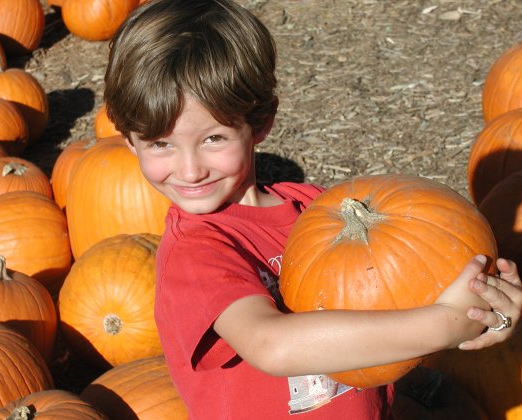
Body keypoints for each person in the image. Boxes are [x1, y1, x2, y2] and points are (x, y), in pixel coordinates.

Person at [102, 0, 522, 418]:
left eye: (214, 139)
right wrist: (442, 325)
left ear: (260, 122)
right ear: (130, 142)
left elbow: (404, 294)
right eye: (161, 144)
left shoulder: (317, 207)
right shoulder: (196, 253)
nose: (190, 170)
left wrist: (485, 310)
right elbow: (271, 345)